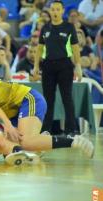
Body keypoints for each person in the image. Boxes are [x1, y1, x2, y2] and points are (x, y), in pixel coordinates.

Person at [0, 66, 94, 162]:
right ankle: (41, 141)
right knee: (9, 145)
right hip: (15, 111)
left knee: (25, 142)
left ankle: (73, 140)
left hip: (28, 99)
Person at [33, 0, 82, 136]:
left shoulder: (69, 27)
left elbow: (75, 48)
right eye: (53, 9)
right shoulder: (45, 28)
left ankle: (71, 129)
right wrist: (36, 66)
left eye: (57, 9)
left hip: (65, 66)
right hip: (48, 66)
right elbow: (40, 48)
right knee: (48, 99)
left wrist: (78, 66)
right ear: (50, 11)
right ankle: (46, 129)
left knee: (67, 97)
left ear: (62, 11)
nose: (55, 12)